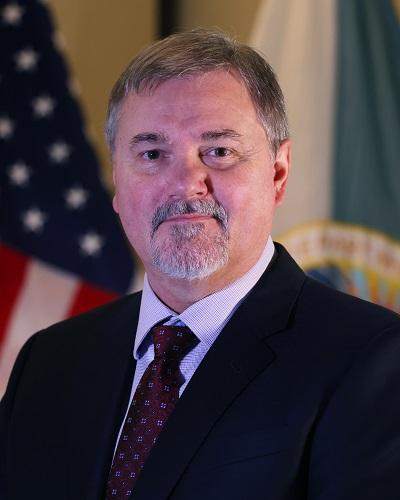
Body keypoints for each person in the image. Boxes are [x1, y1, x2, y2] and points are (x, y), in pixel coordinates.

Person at [1, 29, 399, 500]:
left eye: (219, 151)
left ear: (278, 172)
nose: (187, 183)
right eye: (152, 154)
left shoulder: (371, 360)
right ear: (117, 181)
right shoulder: (48, 363)